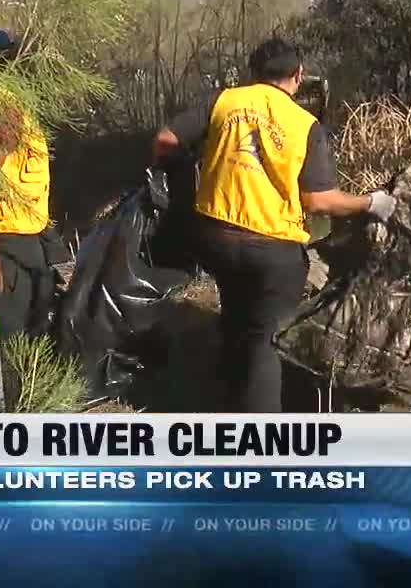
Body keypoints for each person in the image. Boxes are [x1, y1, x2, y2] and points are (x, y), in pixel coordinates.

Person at [151, 37, 397, 412]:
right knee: (264, 339)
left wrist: (191, 179)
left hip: (214, 238)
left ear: (253, 72)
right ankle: (259, 441)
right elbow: (318, 201)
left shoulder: (225, 100)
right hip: (272, 250)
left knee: (236, 316)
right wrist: (371, 202)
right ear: (298, 76)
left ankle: (223, 402)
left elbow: (165, 139)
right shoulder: (304, 124)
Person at [0, 29, 60, 405]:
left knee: (29, 340)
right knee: (2, 354)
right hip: (4, 245)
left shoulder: (21, 105)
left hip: (28, 242)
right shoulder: (2, 105)